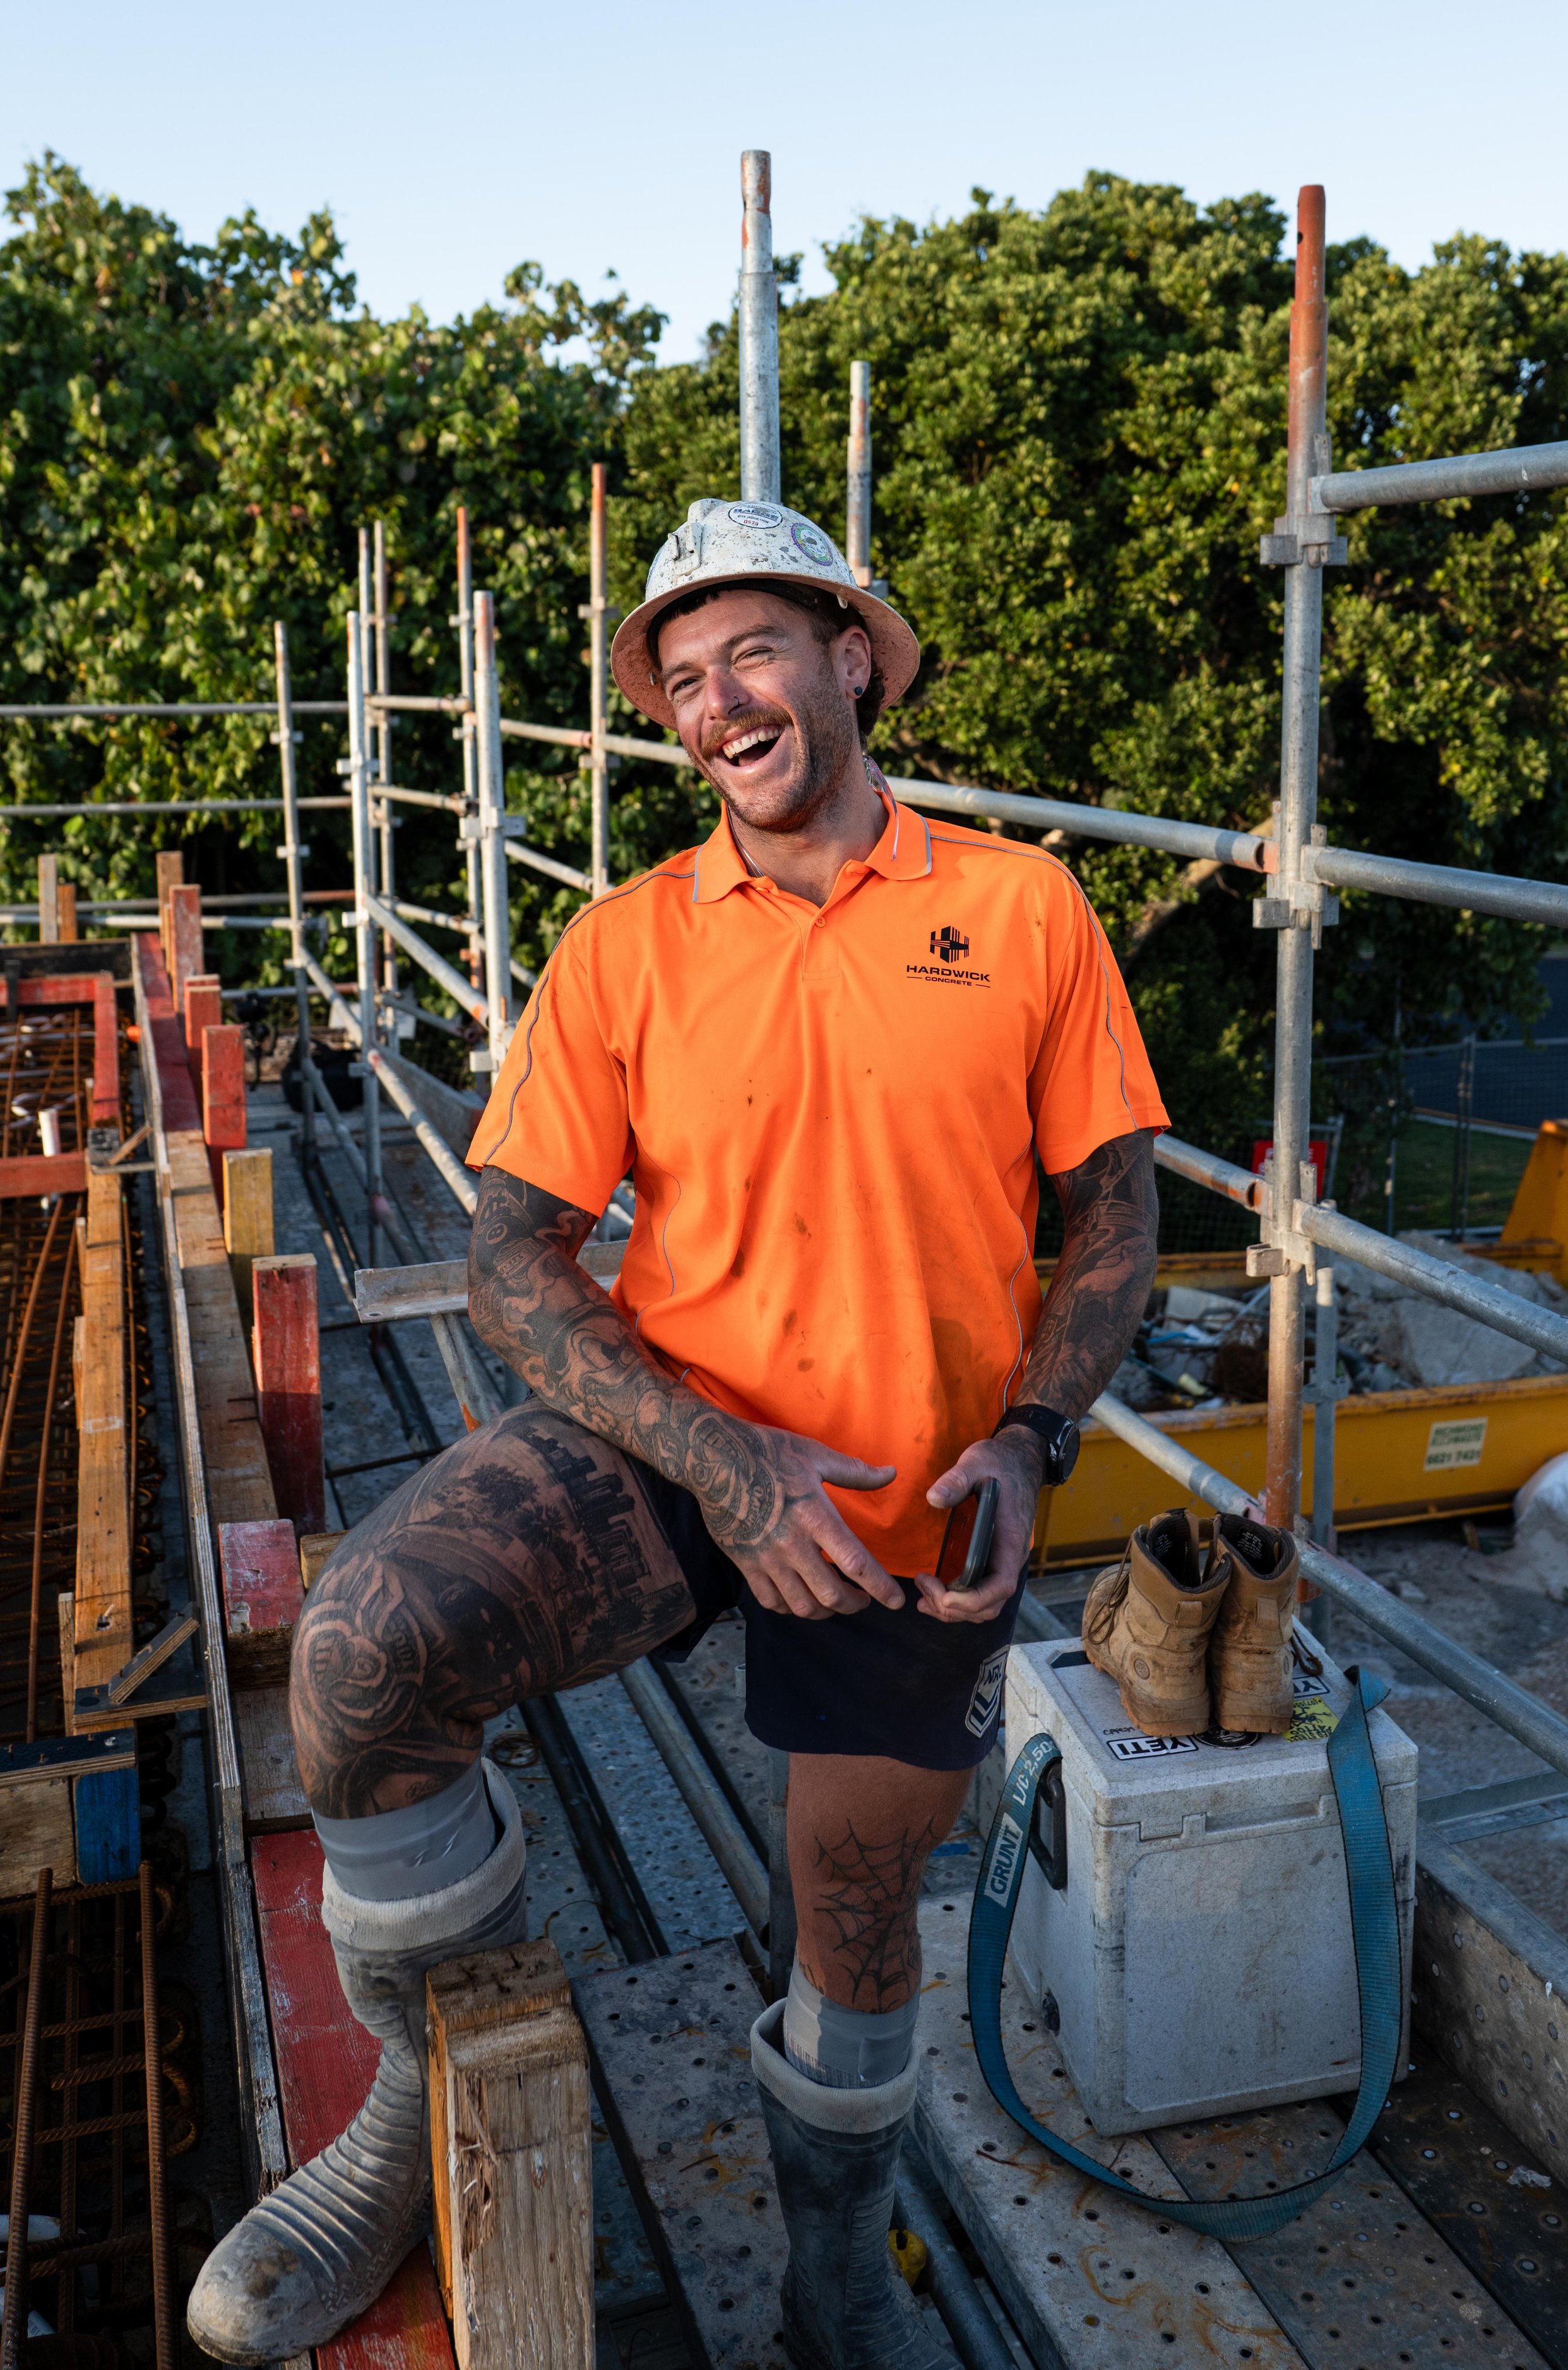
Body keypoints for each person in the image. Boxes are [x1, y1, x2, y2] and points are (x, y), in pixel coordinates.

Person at [187, 496, 1168, 2370]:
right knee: (361, 1651)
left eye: (756, 652)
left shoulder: (1019, 908)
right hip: (680, 1437)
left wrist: (1034, 1438)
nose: (718, 701)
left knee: (857, 1907)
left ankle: (830, 2267)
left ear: (849, 657)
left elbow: (1112, 1222)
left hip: (904, 1480)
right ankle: (397, 2122)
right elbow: (508, 1257)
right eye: (684, 675)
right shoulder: (630, 942)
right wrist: (719, 1458)